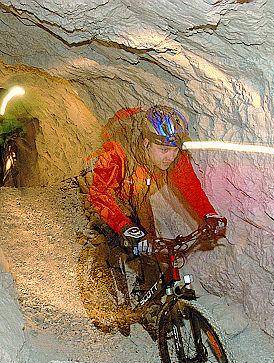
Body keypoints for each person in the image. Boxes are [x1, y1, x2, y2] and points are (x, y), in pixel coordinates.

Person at [78, 105, 226, 336]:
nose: (170, 155)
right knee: (107, 240)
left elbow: (189, 184)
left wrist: (210, 215)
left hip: (136, 190)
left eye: (174, 149)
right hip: (102, 189)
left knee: (153, 244)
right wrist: (125, 227)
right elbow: (101, 195)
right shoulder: (115, 153)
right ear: (146, 142)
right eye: (163, 149)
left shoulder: (172, 156)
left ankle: (149, 305)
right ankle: (98, 292)